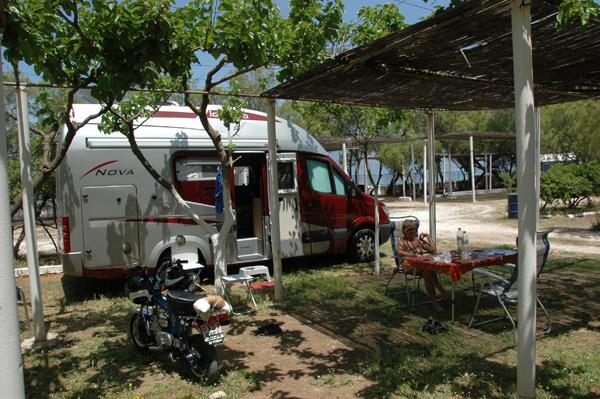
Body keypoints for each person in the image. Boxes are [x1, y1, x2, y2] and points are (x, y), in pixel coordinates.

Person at [396, 219, 447, 312]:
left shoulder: (417, 241)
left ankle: (435, 303)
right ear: (404, 231)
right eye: (409, 230)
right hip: (408, 265)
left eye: (414, 229)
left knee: (427, 271)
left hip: (421, 266)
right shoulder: (402, 241)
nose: (412, 232)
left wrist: (428, 237)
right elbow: (399, 252)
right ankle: (440, 290)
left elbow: (432, 250)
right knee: (427, 269)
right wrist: (412, 255)